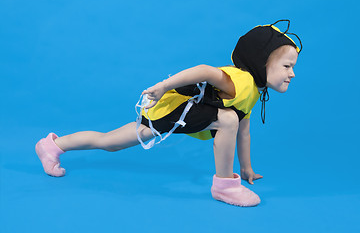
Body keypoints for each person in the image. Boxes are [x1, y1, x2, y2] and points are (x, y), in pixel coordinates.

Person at [35, 19, 302, 207]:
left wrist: (247, 169)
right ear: (261, 63)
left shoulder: (252, 92)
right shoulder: (242, 81)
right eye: (287, 66)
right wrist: (164, 86)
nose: (292, 74)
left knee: (111, 142)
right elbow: (206, 71)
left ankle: (53, 145)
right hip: (175, 108)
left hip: (184, 112)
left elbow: (244, 132)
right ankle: (224, 186)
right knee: (228, 119)